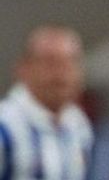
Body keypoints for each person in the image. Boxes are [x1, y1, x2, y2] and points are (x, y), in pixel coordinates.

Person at [0, 25, 93, 179]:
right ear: (23, 68)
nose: (61, 74)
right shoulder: (6, 125)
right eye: (51, 63)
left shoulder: (78, 124)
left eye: (70, 63)